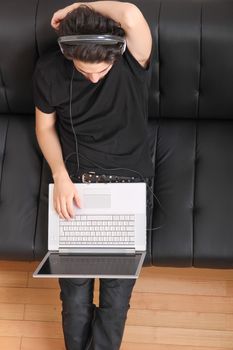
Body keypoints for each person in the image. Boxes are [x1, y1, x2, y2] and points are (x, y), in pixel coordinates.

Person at [33, 2, 155, 349]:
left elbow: (130, 14)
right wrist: (60, 174)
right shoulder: (49, 70)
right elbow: (44, 128)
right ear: (68, 52)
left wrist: (78, 5)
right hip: (76, 185)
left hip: (129, 188)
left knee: (115, 301)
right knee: (74, 298)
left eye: (102, 70)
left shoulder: (133, 58)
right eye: (85, 71)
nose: (95, 78)